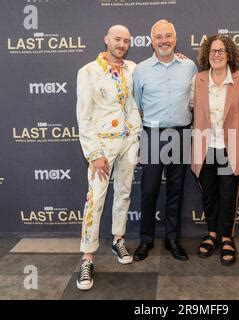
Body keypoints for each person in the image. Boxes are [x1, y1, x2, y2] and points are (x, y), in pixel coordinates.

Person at [76, 25, 142, 290]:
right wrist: (94, 154)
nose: (122, 44)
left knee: (124, 193)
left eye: (126, 40)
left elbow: (156, 68)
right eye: (118, 39)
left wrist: (179, 57)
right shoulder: (88, 72)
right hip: (102, 145)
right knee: (96, 199)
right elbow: (84, 116)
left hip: (129, 141)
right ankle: (87, 258)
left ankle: (118, 240)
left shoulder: (134, 68)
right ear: (106, 39)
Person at [133, 19, 197, 261]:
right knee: (148, 190)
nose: (164, 41)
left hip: (181, 133)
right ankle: (145, 240)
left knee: (176, 190)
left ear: (175, 39)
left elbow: (194, 100)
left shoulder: (189, 65)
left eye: (168, 36)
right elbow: (137, 105)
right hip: (152, 134)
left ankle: (172, 239)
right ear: (151, 41)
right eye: (159, 36)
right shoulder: (140, 70)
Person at [190, 35, 239, 266]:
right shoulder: (198, 80)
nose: (216, 54)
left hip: (232, 147)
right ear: (207, 55)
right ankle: (212, 234)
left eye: (221, 51)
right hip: (205, 147)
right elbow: (192, 108)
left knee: (228, 196)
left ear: (229, 54)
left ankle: (227, 237)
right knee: (208, 196)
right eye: (213, 51)